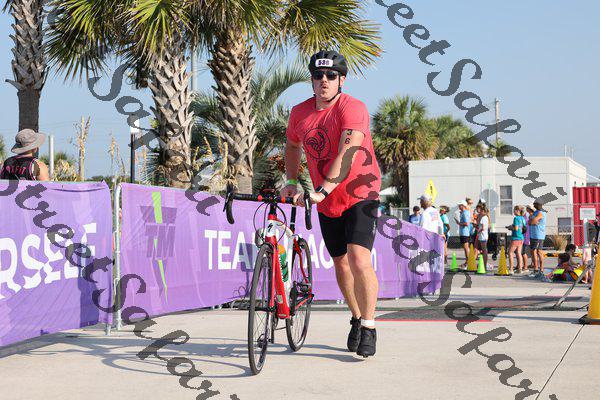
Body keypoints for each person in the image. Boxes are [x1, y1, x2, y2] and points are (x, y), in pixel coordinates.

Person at [282, 50, 381, 357]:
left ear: (342, 80)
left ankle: (369, 325)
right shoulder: (299, 113)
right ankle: (356, 317)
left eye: (331, 76)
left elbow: (348, 153)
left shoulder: (353, 108)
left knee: (358, 258)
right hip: (327, 201)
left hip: (361, 192)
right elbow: (292, 146)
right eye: (318, 75)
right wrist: (291, 181)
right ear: (311, 79)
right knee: (340, 262)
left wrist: (321, 190)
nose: (324, 81)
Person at [529, 201, 547, 278]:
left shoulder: (541, 212)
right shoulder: (536, 212)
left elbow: (532, 221)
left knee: (537, 252)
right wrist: (532, 220)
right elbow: (530, 222)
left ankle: (538, 269)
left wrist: (533, 220)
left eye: (535, 204)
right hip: (534, 234)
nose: (534, 205)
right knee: (534, 251)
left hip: (538, 235)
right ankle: (537, 269)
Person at [507, 206, 526, 274]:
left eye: (514, 210)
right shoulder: (523, 218)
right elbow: (523, 228)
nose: (513, 211)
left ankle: (511, 269)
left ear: (517, 210)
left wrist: (510, 227)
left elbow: (516, 228)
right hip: (521, 237)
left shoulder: (516, 218)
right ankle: (520, 269)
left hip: (516, 237)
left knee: (510, 252)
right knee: (519, 253)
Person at [477, 204, 491, 270]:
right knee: (484, 250)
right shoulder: (486, 217)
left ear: (484, 211)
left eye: (481, 211)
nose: (480, 212)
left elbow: (482, 228)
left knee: (484, 250)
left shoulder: (483, 218)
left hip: (483, 236)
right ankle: (484, 264)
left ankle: (484, 265)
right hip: (485, 235)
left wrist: (478, 231)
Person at [457, 201, 471, 267]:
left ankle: (468, 262)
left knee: (466, 248)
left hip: (465, 232)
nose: (458, 206)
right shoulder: (464, 212)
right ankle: (467, 261)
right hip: (463, 232)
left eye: (459, 205)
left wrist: (459, 223)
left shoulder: (465, 213)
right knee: (466, 248)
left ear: (463, 205)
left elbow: (467, 223)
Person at [521, 205, 534, 273]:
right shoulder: (529, 216)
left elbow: (525, 228)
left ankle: (525, 266)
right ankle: (532, 264)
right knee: (531, 252)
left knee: (524, 253)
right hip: (529, 237)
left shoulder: (527, 217)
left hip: (526, 238)